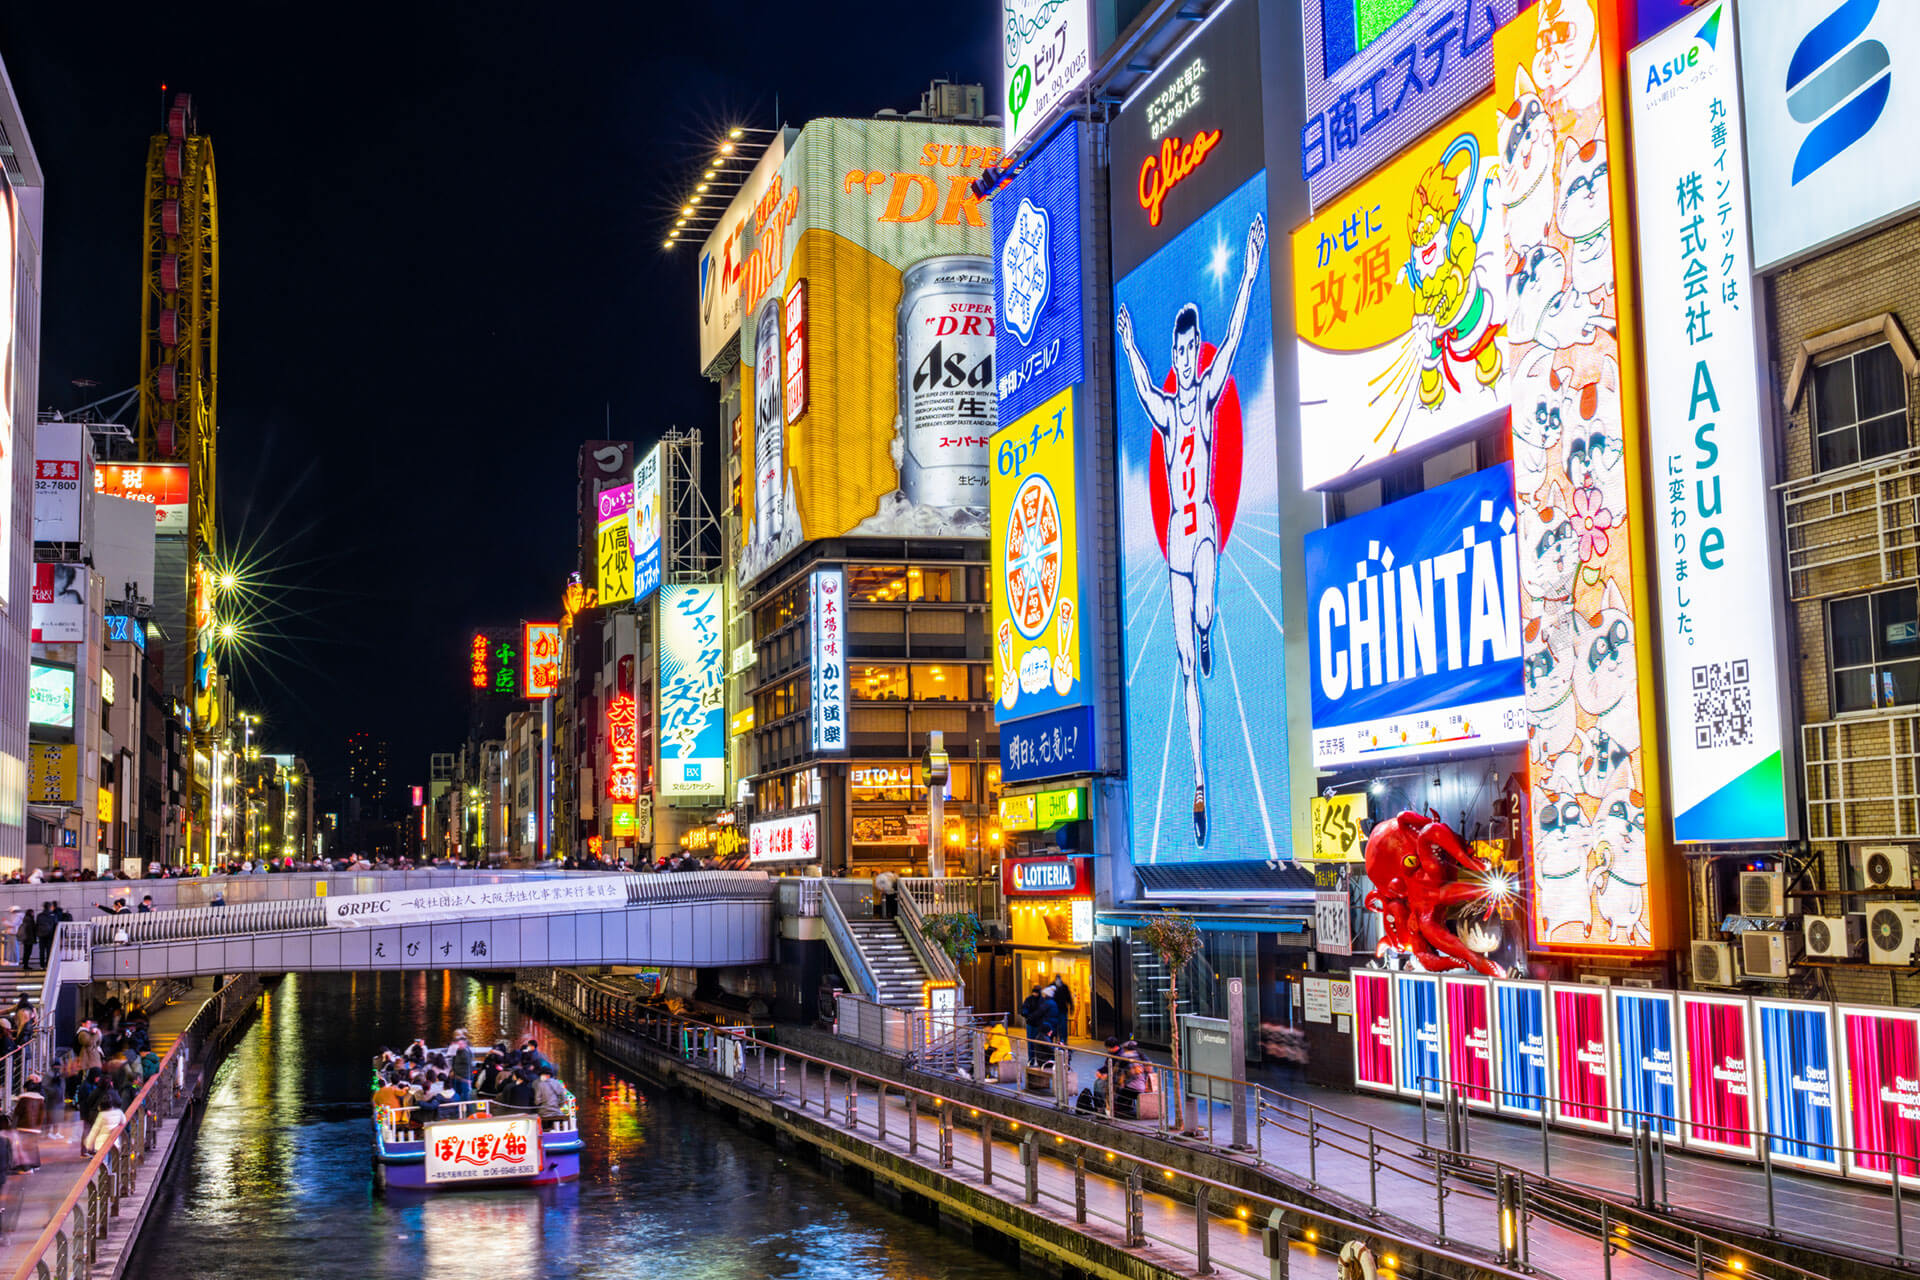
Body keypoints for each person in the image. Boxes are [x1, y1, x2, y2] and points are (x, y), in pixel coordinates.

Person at [1114, 210, 1266, 847]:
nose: (1186, 359)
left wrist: (1251, 265)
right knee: (1182, 670)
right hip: (1175, 547)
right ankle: (1201, 782)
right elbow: (1143, 382)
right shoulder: (1164, 405)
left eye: (1189, 349)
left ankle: (1208, 627)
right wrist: (1126, 342)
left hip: (1202, 533)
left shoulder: (1203, 398)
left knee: (1205, 612)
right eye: (1179, 352)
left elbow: (1234, 330)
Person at [83, 1082, 125, 1156]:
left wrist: (89, 1144)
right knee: (114, 1163)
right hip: (114, 1143)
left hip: (102, 1144)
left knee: (104, 1163)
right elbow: (123, 1121)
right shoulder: (119, 1112)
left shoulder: (102, 1115)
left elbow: (95, 1130)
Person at [32, 903, 57, 969]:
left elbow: (37, 925)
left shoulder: (39, 915)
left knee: (42, 950)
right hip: (50, 935)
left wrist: (37, 934)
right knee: (49, 950)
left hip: (41, 935)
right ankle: (48, 964)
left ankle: (42, 965)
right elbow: (55, 925)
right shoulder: (53, 915)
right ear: (49, 907)